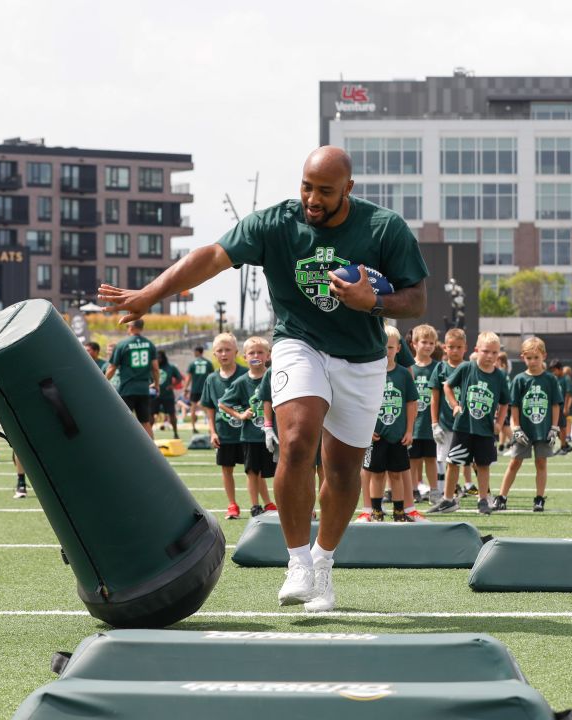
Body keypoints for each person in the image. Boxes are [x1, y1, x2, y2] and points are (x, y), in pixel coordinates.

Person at [98, 146, 428, 613]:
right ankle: (296, 560)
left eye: (325, 191)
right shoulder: (276, 223)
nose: (313, 199)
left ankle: (323, 563)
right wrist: (150, 294)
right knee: (295, 440)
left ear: (348, 190)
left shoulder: (384, 227)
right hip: (299, 342)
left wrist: (371, 301)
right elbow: (212, 255)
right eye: (307, 186)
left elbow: (416, 300)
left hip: (362, 356)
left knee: (342, 469)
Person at [441, 331, 511, 514]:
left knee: (483, 465)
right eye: (486, 351)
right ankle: (448, 500)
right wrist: (455, 405)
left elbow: (505, 402)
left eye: (495, 353)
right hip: (463, 426)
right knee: (453, 462)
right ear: (476, 350)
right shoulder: (466, 368)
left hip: (486, 429)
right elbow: (447, 385)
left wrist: (499, 422)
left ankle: (482, 500)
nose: (490, 356)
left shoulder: (499, 376)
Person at [356, 325, 419, 522]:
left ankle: (400, 511)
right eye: (383, 347)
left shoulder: (403, 374)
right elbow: (362, 402)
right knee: (376, 474)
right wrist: (367, 428)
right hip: (376, 435)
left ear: (399, 348)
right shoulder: (370, 373)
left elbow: (411, 402)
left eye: (390, 348)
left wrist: (409, 430)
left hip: (398, 435)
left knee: (397, 474)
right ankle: (375, 510)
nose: (386, 351)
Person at [495, 337, 563, 512]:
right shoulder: (519, 379)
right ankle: (501, 497)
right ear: (522, 357)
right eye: (529, 357)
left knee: (541, 463)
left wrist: (555, 427)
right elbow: (514, 407)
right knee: (514, 462)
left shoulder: (550, 379)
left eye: (536, 357)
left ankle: (539, 498)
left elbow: (555, 405)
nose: (533, 361)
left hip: (543, 429)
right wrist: (516, 427)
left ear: (544, 356)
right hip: (524, 429)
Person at [219, 337, 277, 516]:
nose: (256, 355)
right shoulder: (242, 382)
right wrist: (240, 415)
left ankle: (280, 503)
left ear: (268, 355)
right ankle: (255, 506)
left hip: (275, 433)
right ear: (244, 357)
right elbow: (223, 403)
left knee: (279, 471)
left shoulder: (275, 375)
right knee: (252, 471)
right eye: (252, 352)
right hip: (251, 435)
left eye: (260, 352)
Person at [200, 333, 248, 519]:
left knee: (254, 470)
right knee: (226, 469)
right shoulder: (211, 379)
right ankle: (232, 505)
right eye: (219, 350)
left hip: (247, 433)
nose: (224, 353)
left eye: (228, 349)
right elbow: (210, 408)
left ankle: (260, 504)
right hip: (224, 432)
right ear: (214, 354)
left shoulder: (246, 374)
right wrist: (212, 432)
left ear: (236, 352)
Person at [426, 328, 472, 512]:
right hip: (445, 423)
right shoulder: (440, 368)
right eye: (451, 347)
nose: (454, 350)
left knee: (472, 461)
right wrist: (434, 423)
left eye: (458, 347)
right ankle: (446, 497)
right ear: (445, 347)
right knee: (444, 459)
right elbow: (435, 398)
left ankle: (484, 495)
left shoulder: (470, 368)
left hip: (466, 424)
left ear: (465, 348)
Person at [106, 320, 159, 438]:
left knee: (122, 421)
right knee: (145, 421)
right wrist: (156, 383)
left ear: (131, 327)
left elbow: (112, 368)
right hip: (143, 389)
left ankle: (122, 449)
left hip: (127, 389)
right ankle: (153, 454)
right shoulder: (149, 344)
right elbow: (155, 368)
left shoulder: (123, 344)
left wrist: (103, 381)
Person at [407, 324, 442, 505]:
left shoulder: (438, 367)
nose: (428, 346)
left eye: (431, 343)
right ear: (414, 343)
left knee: (431, 458)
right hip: (413, 424)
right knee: (413, 459)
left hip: (430, 423)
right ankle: (413, 489)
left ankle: (434, 490)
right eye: (424, 342)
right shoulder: (408, 367)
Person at [548, 360, 572, 455]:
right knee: (557, 428)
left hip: (562, 406)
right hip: (556, 407)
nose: (553, 372)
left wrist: (566, 407)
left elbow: (568, 393)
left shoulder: (566, 378)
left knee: (562, 427)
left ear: (560, 369)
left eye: (554, 370)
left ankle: (564, 447)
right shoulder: (556, 378)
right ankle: (565, 445)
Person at [185, 345, 214, 432]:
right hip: (205, 389)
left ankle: (193, 427)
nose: (194, 353)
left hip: (194, 389)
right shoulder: (208, 363)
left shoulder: (192, 363)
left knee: (193, 408)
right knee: (207, 409)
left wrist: (185, 388)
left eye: (195, 351)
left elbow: (189, 377)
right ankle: (210, 427)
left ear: (198, 352)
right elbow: (212, 377)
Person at [155, 350, 183, 439]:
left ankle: (175, 433)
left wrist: (172, 385)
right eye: (157, 358)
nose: (158, 359)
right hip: (155, 395)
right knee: (150, 415)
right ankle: (148, 435)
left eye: (160, 357)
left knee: (172, 414)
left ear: (163, 358)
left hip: (168, 395)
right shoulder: (152, 367)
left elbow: (179, 377)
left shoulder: (170, 367)